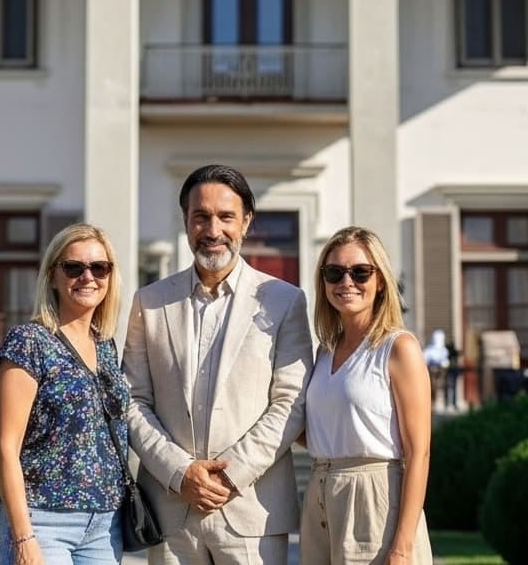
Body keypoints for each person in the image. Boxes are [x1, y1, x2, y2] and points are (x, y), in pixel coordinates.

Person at [122, 164, 314, 565]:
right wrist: (180, 472)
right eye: (201, 216)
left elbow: (291, 403)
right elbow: (133, 400)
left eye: (226, 216)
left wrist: (231, 475)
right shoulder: (149, 302)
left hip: (251, 508)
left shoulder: (284, 300)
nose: (213, 230)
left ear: (246, 222)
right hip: (170, 509)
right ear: (186, 222)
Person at [0, 223, 130, 565]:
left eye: (99, 267)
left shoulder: (106, 346)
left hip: (104, 524)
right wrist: (24, 538)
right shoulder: (28, 342)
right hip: (43, 520)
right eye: (74, 267)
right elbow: (5, 447)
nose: (88, 277)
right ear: (53, 276)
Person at [301, 226, 433, 565]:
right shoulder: (324, 352)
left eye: (360, 272)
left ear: (380, 281)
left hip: (374, 496)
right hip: (320, 493)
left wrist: (401, 548)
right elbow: (320, 427)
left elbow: (419, 453)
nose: (346, 282)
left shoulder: (399, 348)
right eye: (334, 272)